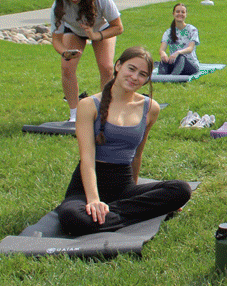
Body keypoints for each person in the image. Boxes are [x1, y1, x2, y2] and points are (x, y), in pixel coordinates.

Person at [56, 46, 192, 234]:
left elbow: (137, 154)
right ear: (118, 66)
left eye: (142, 74)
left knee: (181, 190)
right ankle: (124, 214)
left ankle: (107, 216)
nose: (135, 77)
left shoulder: (150, 108)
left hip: (123, 186)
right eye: (131, 69)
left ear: (147, 80)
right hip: (85, 188)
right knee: (73, 218)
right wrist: (94, 200)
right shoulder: (88, 105)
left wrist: (137, 192)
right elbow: (87, 158)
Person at [51, 0, 123, 106]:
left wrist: (96, 35)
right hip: (74, 31)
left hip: (102, 30)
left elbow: (118, 27)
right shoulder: (59, 5)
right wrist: (64, 52)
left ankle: (106, 109)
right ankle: (74, 113)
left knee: (106, 67)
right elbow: (56, 39)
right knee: (67, 67)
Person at [154, 2, 201, 76]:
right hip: (174, 63)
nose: (180, 14)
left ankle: (172, 78)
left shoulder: (192, 30)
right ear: (173, 14)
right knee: (164, 60)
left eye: (183, 12)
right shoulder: (169, 32)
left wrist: (178, 52)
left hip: (190, 65)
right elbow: (162, 49)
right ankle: (162, 77)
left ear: (186, 14)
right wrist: (163, 54)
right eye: (177, 12)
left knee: (181, 57)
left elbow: (190, 49)